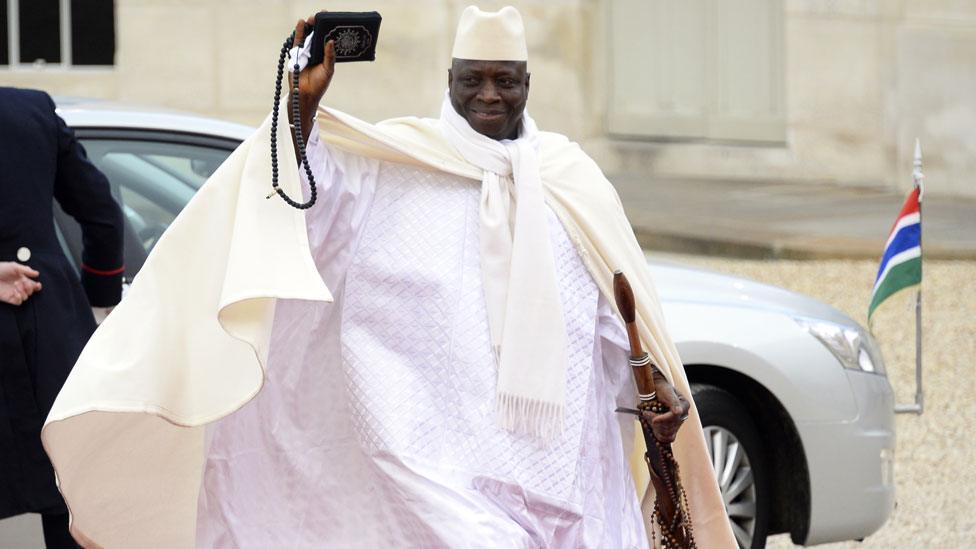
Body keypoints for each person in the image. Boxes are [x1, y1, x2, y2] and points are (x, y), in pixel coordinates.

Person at [42, 7, 735, 548]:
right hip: (430, 460)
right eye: (473, 80)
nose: (489, 95)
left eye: (505, 80)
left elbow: (605, 314)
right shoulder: (395, 165)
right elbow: (304, 203)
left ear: (530, 84)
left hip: (563, 463)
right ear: (450, 81)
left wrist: (652, 386)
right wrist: (303, 105)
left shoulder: (570, 179)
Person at [0, 87, 124, 548]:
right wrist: (99, 300)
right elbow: (102, 214)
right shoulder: (30, 110)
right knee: (71, 502)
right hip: (49, 328)